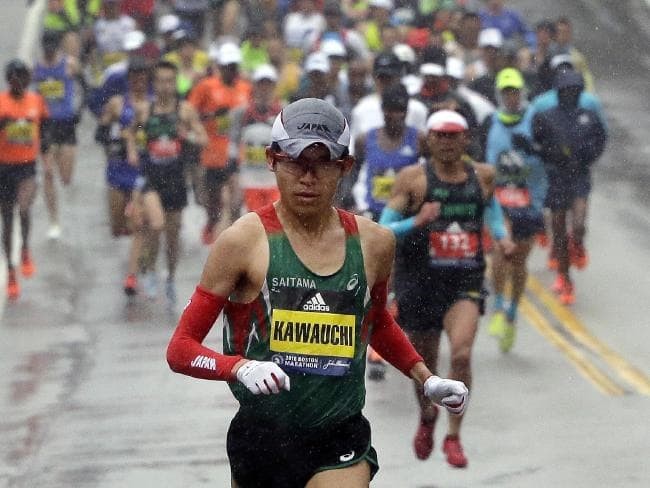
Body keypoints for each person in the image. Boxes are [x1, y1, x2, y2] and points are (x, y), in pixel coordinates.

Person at [166, 98, 468, 487]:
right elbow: (181, 350)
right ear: (272, 160)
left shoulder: (375, 243)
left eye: (322, 164)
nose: (308, 178)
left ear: (345, 167)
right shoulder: (241, 242)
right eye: (295, 162)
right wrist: (240, 367)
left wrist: (425, 378)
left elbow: (375, 323)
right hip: (262, 439)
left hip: (340, 435)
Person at [379, 110, 513, 468]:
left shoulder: (483, 176)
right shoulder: (412, 179)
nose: (447, 143)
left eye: (454, 136)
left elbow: (492, 211)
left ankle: (454, 435)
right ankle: (427, 415)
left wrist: (502, 238)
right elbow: (384, 229)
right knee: (424, 366)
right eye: (440, 135)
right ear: (429, 140)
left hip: (464, 281)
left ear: (466, 139)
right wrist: (417, 220)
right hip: (419, 282)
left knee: (462, 356)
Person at [130, 60, 207, 305]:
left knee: (173, 238)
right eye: (161, 81)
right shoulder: (145, 110)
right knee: (156, 225)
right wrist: (132, 150)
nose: (165, 86)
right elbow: (131, 131)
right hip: (152, 180)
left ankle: (171, 277)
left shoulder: (185, 111)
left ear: (175, 84)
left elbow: (203, 139)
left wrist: (187, 135)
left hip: (176, 179)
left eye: (169, 81)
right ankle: (150, 270)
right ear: (154, 84)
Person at [482, 68, 547, 351]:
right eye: (506, 92)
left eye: (515, 91)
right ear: (499, 94)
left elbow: (553, 153)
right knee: (500, 251)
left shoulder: (537, 120)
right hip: (500, 201)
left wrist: (533, 148)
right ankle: (498, 305)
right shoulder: (490, 122)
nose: (511, 96)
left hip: (529, 201)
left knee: (519, 261)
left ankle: (511, 313)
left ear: (522, 92)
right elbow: (479, 158)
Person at [532, 71, 607, 304]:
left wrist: (587, 157)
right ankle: (565, 279)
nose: (570, 94)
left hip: (579, 176)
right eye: (566, 90)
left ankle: (579, 244)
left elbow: (600, 139)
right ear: (559, 92)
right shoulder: (547, 117)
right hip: (557, 177)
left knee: (579, 223)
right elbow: (537, 141)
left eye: (574, 90)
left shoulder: (588, 116)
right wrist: (550, 154)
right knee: (559, 232)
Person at [188, 42, 252, 245]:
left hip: (237, 153)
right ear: (220, 67)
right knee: (214, 200)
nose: (231, 70)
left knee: (233, 200)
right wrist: (210, 116)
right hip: (212, 153)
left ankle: (233, 238)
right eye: (227, 66)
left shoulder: (246, 88)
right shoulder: (207, 86)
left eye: (234, 66)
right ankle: (211, 223)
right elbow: (190, 112)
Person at [0, 60, 49, 300]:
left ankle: (25, 248)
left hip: (27, 168)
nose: (19, 82)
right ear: (9, 80)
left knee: (24, 208)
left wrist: (47, 159)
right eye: (14, 78)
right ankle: (10, 269)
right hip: (4, 169)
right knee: (7, 220)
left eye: (23, 77)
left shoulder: (36, 101)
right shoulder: (1, 103)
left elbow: (46, 131)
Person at [33, 31, 81, 240]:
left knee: (66, 178)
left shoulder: (69, 65)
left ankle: (57, 218)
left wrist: (78, 111)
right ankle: (54, 221)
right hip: (46, 126)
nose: (49, 52)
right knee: (48, 173)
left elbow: (84, 87)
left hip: (66, 125)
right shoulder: (36, 68)